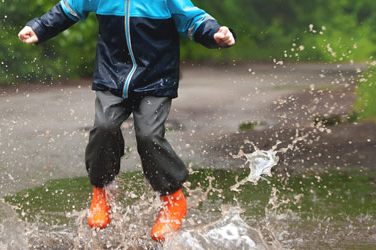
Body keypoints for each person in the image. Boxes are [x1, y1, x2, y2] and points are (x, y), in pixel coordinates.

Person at [18, 0, 235, 241]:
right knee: (104, 127)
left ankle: (173, 199)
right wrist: (38, 28)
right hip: (111, 75)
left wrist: (215, 33)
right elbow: (69, 8)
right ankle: (102, 191)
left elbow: (192, 19)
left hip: (157, 78)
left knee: (148, 135)